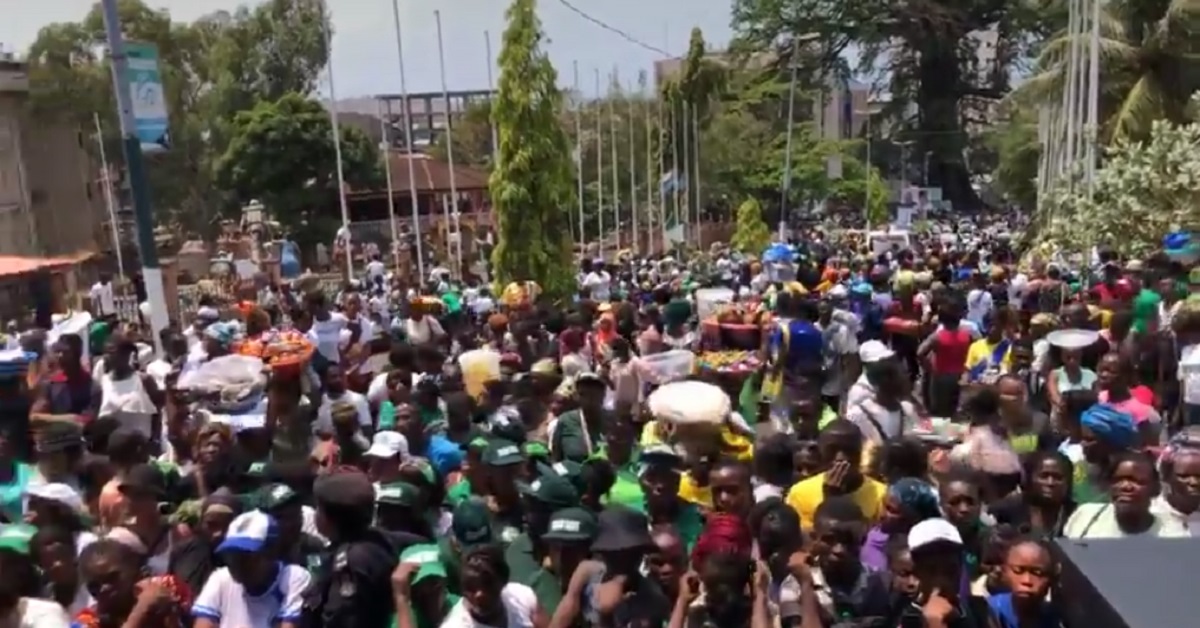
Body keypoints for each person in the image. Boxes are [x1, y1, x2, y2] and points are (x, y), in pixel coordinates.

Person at [300, 470, 401, 628]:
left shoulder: (351, 562)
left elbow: (340, 619)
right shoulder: (379, 540)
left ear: (328, 518)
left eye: (318, 507)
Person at [785, 420, 886, 533]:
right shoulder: (800, 494)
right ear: (820, 451)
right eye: (832, 450)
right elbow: (803, 542)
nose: (840, 457)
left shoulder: (882, 495)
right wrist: (830, 501)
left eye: (849, 450)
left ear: (860, 452)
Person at [1063, 451, 1188, 538]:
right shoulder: (1085, 517)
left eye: (1138, 481)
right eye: (1118, 480)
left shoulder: (1172, 532)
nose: (1126, 486)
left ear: (1155, 489)